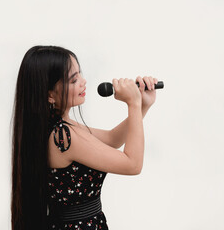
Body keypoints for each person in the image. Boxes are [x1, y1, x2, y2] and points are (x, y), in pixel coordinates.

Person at [11, 46, 158, 230]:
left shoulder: (60, 128)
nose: (83, 82)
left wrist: (143, 106)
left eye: (80, 74)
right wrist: (133, 104)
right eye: (73, 80)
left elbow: (112, 139)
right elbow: (133, 164)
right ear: (50, 95)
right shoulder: (64, 137)